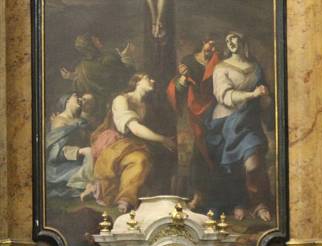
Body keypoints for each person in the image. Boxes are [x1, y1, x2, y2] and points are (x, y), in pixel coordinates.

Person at [207, 31, 273, 222]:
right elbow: (224, 96)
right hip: (226, 121)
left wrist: (265, 96)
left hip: (249, 121)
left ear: (243, 41)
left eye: (235, 38)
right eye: (227, 39)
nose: (231, 42)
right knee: (232, 167)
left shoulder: (255, 67)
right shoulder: (221, 68)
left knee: (253, 164)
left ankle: (259, 203)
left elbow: (265, 100)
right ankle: (239, 202)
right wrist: (252, 95)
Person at [88, 72, 176, 213]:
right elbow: (134, 128)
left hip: (134, 145)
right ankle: (115, 194)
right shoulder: (122, 99)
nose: (153, 80)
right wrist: (162, 139)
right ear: (137, 82)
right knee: (135, 160)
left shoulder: (146, 105)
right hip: (116, 144)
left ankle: (131, 198)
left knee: (145, 159)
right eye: (148, 78)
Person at [166, 37, 220, 209]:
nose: (212, 48)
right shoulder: (189, 61)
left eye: (215, 45)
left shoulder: (219, 61)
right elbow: (179, 88)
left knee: (212, 150)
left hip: (216, 108)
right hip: (194, 109)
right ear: (203, 42)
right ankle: (197, 195)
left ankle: (213, 197)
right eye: (210, 43)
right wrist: (182, 79)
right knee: (197, 149)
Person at [46, 93, 93, 199]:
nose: (80, 99)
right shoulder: (59, 121)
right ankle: (88, 187)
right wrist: (79, 151)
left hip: (80, 161)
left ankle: (89, 188)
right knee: (89, 155)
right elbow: (55, 151)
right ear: (67, 101)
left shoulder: (82, 122)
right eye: (76, 96)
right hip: (61, 167)